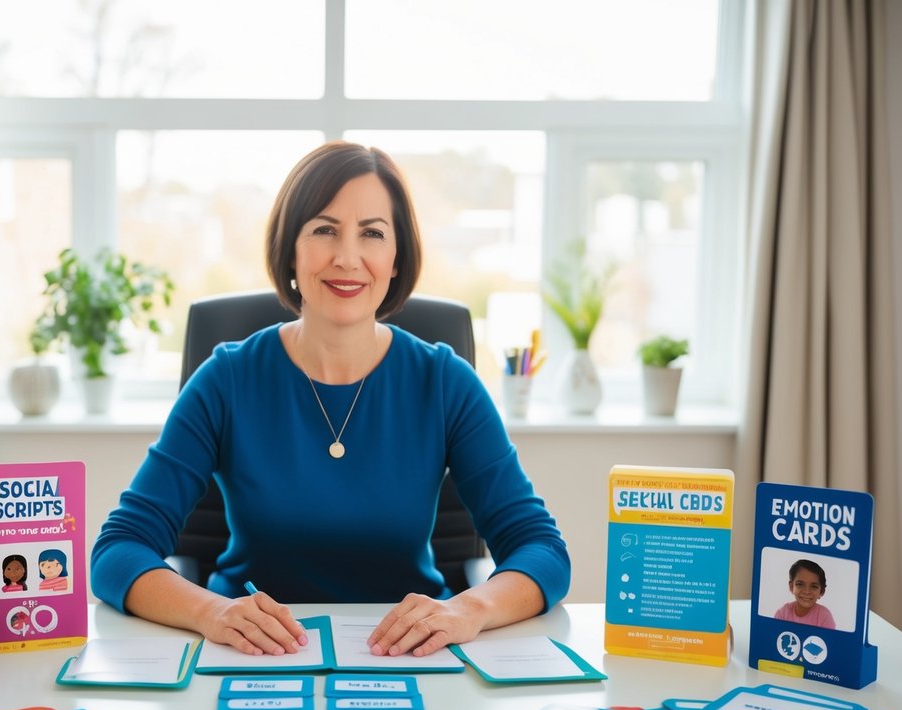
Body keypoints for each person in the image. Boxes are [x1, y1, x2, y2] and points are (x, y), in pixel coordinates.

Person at [91, 140, 570, 659]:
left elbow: (542, 550)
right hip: (251, 655)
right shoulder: (227, 379)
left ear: (395, 258)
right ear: (291, 251)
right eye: (324, 230)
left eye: (372, 234)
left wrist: (469, 610)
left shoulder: (444, 381)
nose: (347, 258)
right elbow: (118, 551)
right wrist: (211, 611)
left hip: (411, 656)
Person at [774, 559, 836, 629]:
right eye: (800, 584)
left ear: (821, 591)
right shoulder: (783, 613)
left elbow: (829, 639)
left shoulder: (824, 617)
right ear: (791, 587)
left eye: (814, 586)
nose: (806, 591)